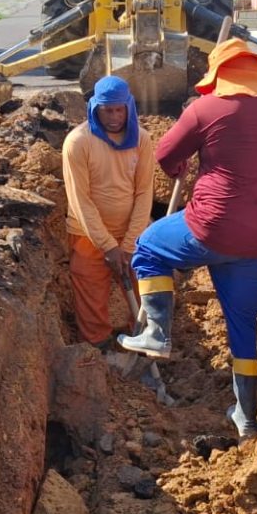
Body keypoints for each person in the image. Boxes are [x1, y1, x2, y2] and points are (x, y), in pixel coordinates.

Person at [118, 38, 257, 439]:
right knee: (243, 326)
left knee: (148, 248)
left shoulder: (207, 108)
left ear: (220, 75)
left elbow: (166, 155)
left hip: (211, 226)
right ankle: (247, 417)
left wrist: (185, 160)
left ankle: (158, 333)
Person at [61, 75, 155, 347]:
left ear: (128, 107)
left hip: (133, 234)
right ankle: (97, 351)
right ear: (94, 108)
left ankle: (146, 344)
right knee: (90, 293)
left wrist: (127, 245)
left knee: (147, 292)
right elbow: (80, 200)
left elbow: (143, 192)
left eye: (118, 109)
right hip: (87, 236)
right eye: (106, 110)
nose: (113, 116)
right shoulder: (78, 142)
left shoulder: (142, 140)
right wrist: (107, 246)